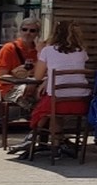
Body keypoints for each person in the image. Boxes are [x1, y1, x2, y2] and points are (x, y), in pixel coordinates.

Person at [7, 19, 88, 155]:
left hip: (57, 102)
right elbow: (68, 70)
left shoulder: (48, 51)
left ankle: (33, 138)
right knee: (51, 106)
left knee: (45, 106)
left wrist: (40, 52)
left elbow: (38, 77)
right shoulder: (81, 51)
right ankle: (57, 143)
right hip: (80, 101)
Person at [0, 17, 41, 121]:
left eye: (32, 31)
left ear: (37, 34)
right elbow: (2, 76)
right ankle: (36, 116)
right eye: (25, 29)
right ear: (20, 31)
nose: (28, 33)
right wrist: (20, 75)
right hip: (9, 88)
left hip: (32, 86)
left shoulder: (38, 51)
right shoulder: (9, 49)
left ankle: (40, 119)